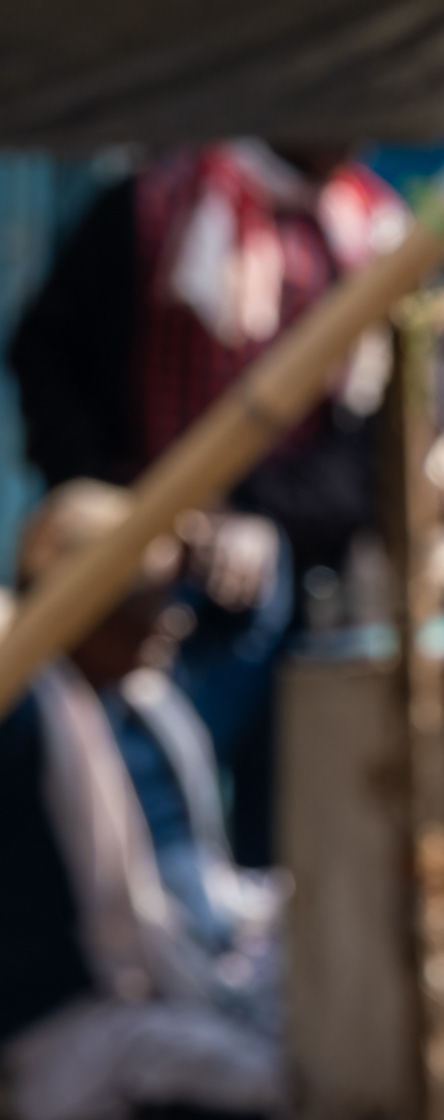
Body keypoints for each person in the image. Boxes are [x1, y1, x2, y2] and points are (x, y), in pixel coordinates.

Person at [10, 139, 407, 865]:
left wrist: (259, 513)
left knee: (276, 825)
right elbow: (50, 357)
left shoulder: (377, 232)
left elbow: (379, 443)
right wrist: (133, 519)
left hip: (293, 572)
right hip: (140, 575)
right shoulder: (153, 208)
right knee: (126, 812)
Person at [0, 481, 284, 1120]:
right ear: (85, 607)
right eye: (146, 598)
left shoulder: (147, 702)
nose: (172, 617)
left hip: (197, 958)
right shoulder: (26, 715)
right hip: (83, 1018)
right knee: (274, 1080)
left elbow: (245, 617)